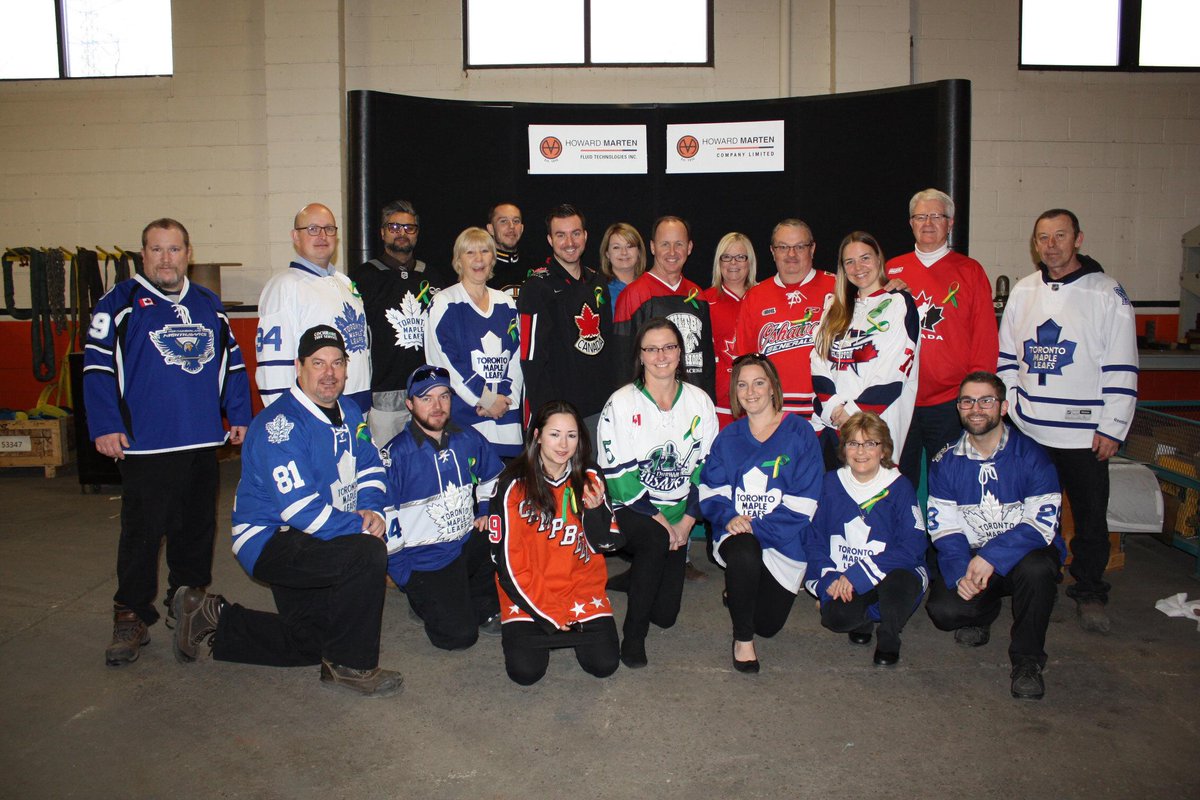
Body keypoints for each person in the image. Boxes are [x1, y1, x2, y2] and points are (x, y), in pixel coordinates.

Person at [172, 325, 402, 697]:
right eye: (317, 363)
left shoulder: (350, 409)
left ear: (347, 368)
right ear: (299, 367)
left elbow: (370, 465)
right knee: (366, 552)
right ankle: (351, 666)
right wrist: (359, 525)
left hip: (316, 534)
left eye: (337, 363)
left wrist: (372, 507)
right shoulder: (280, 426)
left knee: (314, 641)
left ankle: (209, 616)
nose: (329, 373)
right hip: (271, 539)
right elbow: (301, 511)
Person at [84, 217, 252, 667]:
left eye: (174, 249)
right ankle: (130, 614)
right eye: (156, 250)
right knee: (142, 534)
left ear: (188, 254)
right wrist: (104, 425)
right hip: (144, 445)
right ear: (143, 255)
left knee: (195, 528)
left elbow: (231, 366)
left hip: (199, 440)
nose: (165, 258)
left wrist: (238, 415)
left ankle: (189, 603)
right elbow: (97, 368)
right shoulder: (117, 305)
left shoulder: (208, 305)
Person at [998, 209, 1137, 634]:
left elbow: (1122, 363)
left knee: (1091, 515)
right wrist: (1015, 406)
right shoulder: (1024, 291)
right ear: (1034, 243)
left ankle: (1090, 588)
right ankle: (1038, 581)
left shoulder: (1106, 292)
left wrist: (1113, 425)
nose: (1051, 244)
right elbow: (1006, 358)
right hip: (1032, 428)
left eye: (1060, 235)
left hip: (1085, 432)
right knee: (1032, 512)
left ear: (1078, 238)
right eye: (1043, 237)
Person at [925, 372, 1065, 701]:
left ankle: (1028, 661)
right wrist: (962, 572)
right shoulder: (945, 462)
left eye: (986, 400)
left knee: (1037, 571)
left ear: (1002, 407)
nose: (976, 408)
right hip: (973, 557)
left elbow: (1042, 524)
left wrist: (993, 556)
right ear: (958, 408)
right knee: (945, 612)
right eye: (967, 401)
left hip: (1022, 557)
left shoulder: (1033, 455)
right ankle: (984, 614)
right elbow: (943, 526)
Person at [597, 318, 719, 668]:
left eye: (668, 347)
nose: (660, 355)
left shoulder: (699, 402)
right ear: (640, 355)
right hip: (633, 509)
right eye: (651, 349)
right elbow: (616, 474)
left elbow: (707, 468)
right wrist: (664, 524)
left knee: (665, 615)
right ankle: (633, 636)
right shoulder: (621, 403)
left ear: (680, 353)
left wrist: (687, 522)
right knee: (653, 540)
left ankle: (635, 577)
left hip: (681, 512)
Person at [699, 355, 821, 673]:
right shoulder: (728, 437)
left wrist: (758, 528)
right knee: (743, 551)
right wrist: (728, 516)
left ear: (773, 388)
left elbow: (804, 503)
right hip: (737, 534)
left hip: (785, 541)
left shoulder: (800, 432)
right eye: (742, 384)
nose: (750, 391)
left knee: (767, 625)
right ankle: (742, 641)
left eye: (758, 382)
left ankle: (740, 588)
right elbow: (711, 491)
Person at [490, 400, 625, 685]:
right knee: (525, 672)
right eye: (555, 434)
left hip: (580, 586)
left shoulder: (590, 475)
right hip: (530, 588)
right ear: (537, 436)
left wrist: (597, 509)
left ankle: (573, 628)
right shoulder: (512, 484)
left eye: (572, 435)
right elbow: (508, 566)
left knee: (604, 665)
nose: (564, 444)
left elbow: (606, 544)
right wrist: (549, 612)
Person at [379, 365, 505, 649]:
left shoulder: (468, 438)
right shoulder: (394, 456)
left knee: (501, 529)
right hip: (425, 560)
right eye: (426, 398)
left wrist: (484, 510)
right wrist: (404, 577)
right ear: (410, 404)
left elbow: (494, 477)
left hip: (462, 544)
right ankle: (423, 598)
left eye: (444, 396)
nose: (437, 406)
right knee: (459, 638)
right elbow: (383, 521)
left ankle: (480, 603)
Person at [884, 189, 997, 488]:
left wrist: (976, 397)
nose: (928, 223)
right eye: (921, 216)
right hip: (901, 399)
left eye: (936, 216)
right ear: (911, 223)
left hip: (949, 401)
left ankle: (949, 537)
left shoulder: (970, 271)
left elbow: (985, 336)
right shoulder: (891, 270)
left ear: (950, 222)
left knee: (952, 481)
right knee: (898, 482)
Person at [806, 411, 927, 667]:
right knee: (836, 618)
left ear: (883, 450)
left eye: (870, 443)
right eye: (853, 443)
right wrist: (828, 577)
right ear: (844, 448)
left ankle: (889, 635)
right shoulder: (829, 483)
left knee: (898, 588)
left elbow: (914, 545)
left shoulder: (899, 486)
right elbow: (813, 537)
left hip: (891, 572)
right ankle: (864, 618)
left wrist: (861, 574)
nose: (861, 451)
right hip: (844, 572)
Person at [256, 202, 372, 412]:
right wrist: (283, 416)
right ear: (295, 236)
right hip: (312, 410)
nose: (322, 236)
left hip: (356, 406)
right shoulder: (284, 286)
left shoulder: (345, 283)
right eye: (312, 229)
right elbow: (272, 365)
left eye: (329, 229)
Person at [811, 231, 920, 451]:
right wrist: (834, 407)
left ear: (879, 259)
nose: (858, 267)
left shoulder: (899, 303)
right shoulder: (834, 306)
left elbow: (894, 372)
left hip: (876, 423)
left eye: (865, 258)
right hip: (833, 423)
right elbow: (818, 360)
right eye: (849, 262)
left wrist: (852, 413)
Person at [351, 200, 447, 446]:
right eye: (394, 227)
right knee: (387, 467)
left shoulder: (432, 276)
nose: (402, 233)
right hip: (384, 392)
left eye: (409, 228)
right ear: (382, 232)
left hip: (428, 389)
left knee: (427, 464)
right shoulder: (363, 278)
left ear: (417, 233)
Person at [518, 204, 618, 438]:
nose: (569, 242)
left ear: (585, 236)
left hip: (600, 410)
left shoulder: (597, 281)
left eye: (575, 233)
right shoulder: (536, 287)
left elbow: (608, 347)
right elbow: (531, 359)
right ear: (550, 240)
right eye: (560, 235)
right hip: (561, 414)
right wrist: (549, 415)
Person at [425, 227, 523, 459]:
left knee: (505, 488)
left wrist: (505, 400)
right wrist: (486, 399)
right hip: (465, 413)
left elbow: (517, 355)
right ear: (458, 260)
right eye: (470, 253)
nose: (478, 259)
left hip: (504, 414)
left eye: (485, 251)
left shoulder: (506, 302)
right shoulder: (444, 303)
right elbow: (445, 363)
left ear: (493, 257)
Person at [734, 218, 836, 424]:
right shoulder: (755, 296)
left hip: (828, 412)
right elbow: (745, 361)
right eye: (783, 247)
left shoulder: (837, 287)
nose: (791, 254)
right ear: (772, 251)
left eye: (799, 246)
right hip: (773, 414)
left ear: (812, 248)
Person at [613, 216, 716, 399]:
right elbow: (622, 364)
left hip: (693, 404)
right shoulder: (633, 295)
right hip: (650, 407)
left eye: (679, 244)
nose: (672, 252)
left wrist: (708, 402)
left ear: (689, 247)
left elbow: (707, 362)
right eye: (665, 244)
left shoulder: (698, 294)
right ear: (652, 247)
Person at [702, 232, 757, 428]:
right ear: (719, 261)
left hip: (757, 400)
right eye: (726, 257)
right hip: (719, 403)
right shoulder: (704, 300)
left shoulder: (762, 297)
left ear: (749, 261)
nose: (733, 263)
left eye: (740, 257)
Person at [598, 222, 647, 304]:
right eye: (616, 247)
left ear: (639, 251)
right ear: (607, 253)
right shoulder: (599, 290)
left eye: (629, 246)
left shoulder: (652, 285)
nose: (624, 252)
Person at [487, 202, 527, 297]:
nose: (511, 226)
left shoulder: (536, 267)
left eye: (516, 221)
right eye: (503, 221)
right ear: (491, 229)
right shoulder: (481, 269)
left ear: (521, 229)